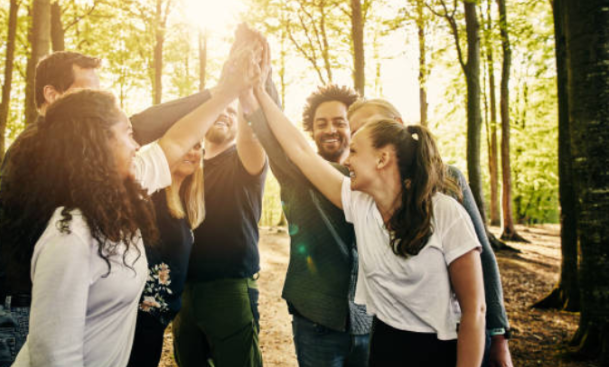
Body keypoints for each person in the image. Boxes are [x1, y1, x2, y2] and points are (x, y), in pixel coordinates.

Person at [7, 43, 257, 366]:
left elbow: (176, 141)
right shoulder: (70, 236)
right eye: (127, 134)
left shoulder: (122, 191)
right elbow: (55, 357)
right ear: (99, 146)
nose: (137, 143)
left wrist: (228, 91)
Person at [250, 78, 486, 366]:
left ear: (382, 158)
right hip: (384, 344)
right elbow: (300, 152)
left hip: (436, 349)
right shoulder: (359, 204)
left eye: (355, 151)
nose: (346, 160)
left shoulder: (445, 213)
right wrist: (261, 92)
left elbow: (475, 309)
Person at [347, 99, 513, 367]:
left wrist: (499, 334)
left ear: (396, 129)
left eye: (367, 127)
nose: (355, 138)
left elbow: (482, 262)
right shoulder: (363, 195)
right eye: (352, 133)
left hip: (445, 337)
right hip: (391, 335)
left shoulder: (447, 184)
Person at [243, 83, 371, 367]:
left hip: (369, 321)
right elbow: (270, 131)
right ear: (311, 131)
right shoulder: (295, 170)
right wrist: (261, 79)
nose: (330, 130)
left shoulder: (374, 179)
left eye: (340, 122)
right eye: (320, 123)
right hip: (317, 320)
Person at [172, 26, 268, 367]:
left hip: (228, 289)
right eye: (219, 108)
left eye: (232, 112)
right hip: (184, 290)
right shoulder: (185, 166)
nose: (224, 113)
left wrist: (242, 89)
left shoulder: (244, 161)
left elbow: (254, 136)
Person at [127, 142, 205, 367]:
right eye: (186, 144)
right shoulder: (152, 197)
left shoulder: (185, 203)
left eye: (198, 146)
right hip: (141, 319)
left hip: (158, 321)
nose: (191, 151)